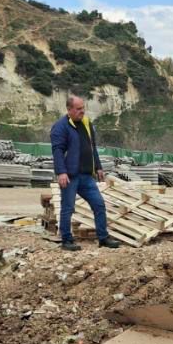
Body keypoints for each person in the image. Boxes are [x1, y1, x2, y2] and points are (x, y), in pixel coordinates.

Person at [50, 96, 120, 251]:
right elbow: (57, 151)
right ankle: (66, 240)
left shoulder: (87, 123)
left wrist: (98, 167)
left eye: (83, 108)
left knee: (99, 204)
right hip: (70, 176)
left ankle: (103, 238)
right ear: (69, 109)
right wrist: (61, 172)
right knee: (68, 208)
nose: (82, 111)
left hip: (87, 175)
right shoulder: (60, 127)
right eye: (78, 109)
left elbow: (92, 147)